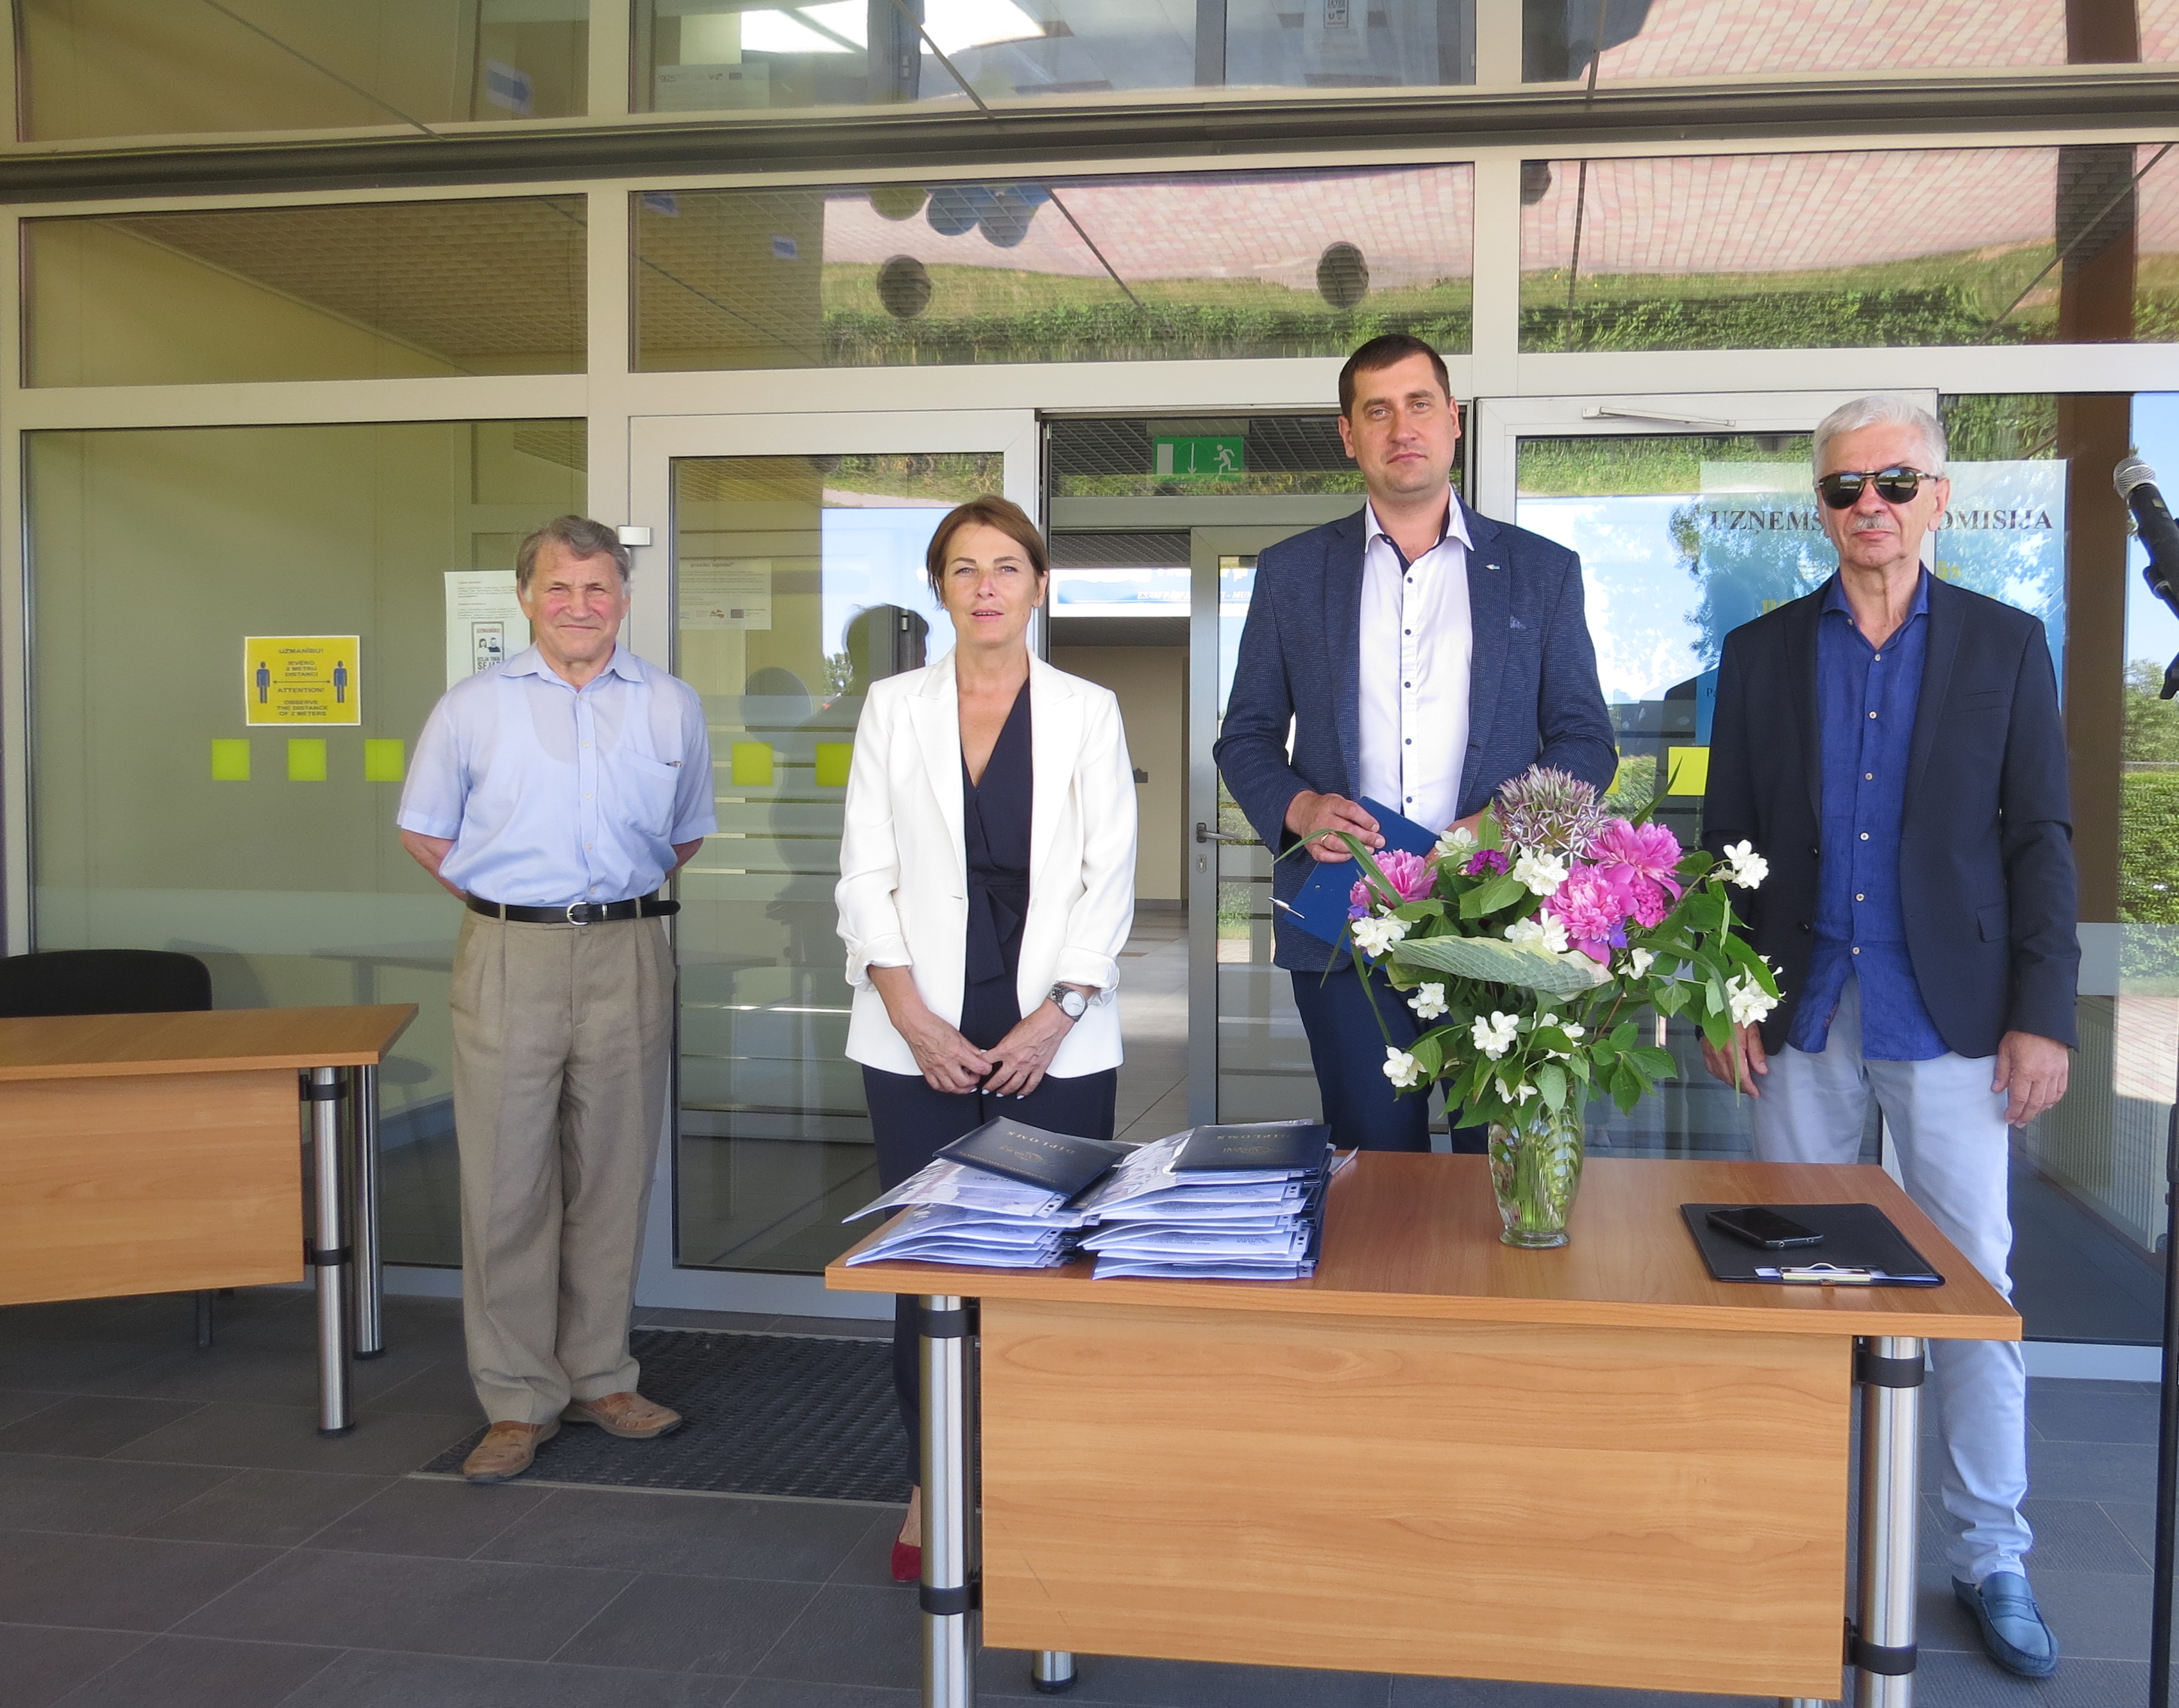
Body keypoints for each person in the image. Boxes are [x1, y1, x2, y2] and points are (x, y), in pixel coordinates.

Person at [1696, 394, 2078, 1679]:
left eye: (1895, 483)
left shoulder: (2005, 646)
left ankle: (1989, 1551)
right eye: (1845, 487)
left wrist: (2042, 1013)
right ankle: (1803, 1537)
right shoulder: (1758, 654)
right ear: (1820, 508)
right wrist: (1724, 989)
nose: (1870, 505)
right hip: (1801, 1010)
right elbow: (1726, 844)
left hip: (1953, 1014)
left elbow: (2040, 840)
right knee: (1794, 1285)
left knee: (1972, 1284)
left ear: (1939, 499)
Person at [834, 496, 1137, 1582]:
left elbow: (1110, 877)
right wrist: (913, 1018)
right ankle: (932, 1480)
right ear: (940, 588)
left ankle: (1033, 1479)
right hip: (915, 1031)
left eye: (1007, 566)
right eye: (964, 568)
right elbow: (863, 873)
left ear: (1039, 586)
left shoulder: (1088, 710)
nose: (987, 587)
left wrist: (1056, 1016)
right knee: (926, 1266)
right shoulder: (893, 708)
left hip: (1053, 1034)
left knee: (1046, 1266)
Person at [1215, 333, 1616, 1151]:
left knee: (1499, 1164)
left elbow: (1586, 740)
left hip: (1500, 917)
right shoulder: (1293, 573)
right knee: (1373, 1168)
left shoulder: (1541, 572)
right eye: (1377, 411)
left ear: (1453, 420)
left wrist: (1502, 827)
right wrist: (1300, 807)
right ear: (1348, 435)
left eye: (1420, 404)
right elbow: (1245, 735)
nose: (1402, 428)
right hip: (1344, 921)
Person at [395, 515, 716, 1484]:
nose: (580, 605)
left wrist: (602, 902)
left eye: (598, 587)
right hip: (509, 954)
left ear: (623, 598)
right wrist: (509, 903)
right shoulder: (472, 708)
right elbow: (425, 831)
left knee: (614, 1175)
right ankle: (515, 1398)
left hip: (629, 950)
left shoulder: (671, 706)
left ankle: (600, 1378)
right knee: (506, 1183)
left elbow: (685, 833)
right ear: (527, 597)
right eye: (560, 587)